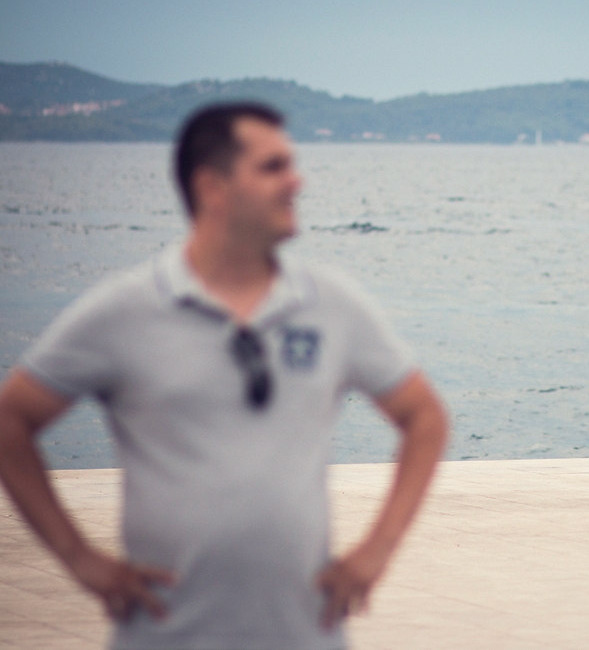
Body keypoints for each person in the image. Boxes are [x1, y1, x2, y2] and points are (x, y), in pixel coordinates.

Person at [0, 102, 449, 649]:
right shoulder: (126, 310)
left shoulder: (331, 305)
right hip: (165, 635)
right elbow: (11, 419)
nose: (297, 181)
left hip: (305, 635)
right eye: (273, 167)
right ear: (211, 187)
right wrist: (79, 558)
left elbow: (424, 417)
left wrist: (376, 552)